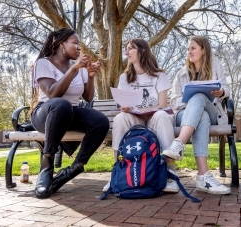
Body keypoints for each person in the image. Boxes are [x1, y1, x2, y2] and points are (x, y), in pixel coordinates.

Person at [31, 28, 110, 199]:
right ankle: (46, 166)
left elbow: (88, 97)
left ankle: (72, 170)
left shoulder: (80, 68)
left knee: (101, 121)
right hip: (45, 114)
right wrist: (74, 69)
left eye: (80, 44)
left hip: (69, 115)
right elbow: (52, 94)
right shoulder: (44, 63)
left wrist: (90, 76)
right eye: (75, 43)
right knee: (61, 104)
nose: (79, 47)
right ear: (61, 45)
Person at [102, 38, 178, 193]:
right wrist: (125, 108)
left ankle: (170, 172)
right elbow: (125, 102)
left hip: (154, 117)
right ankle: (118, 169)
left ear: (142, 51)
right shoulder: (125, 77)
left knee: (163, 116)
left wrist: (143, 110)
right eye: (126, 48)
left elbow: (163, 104)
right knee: (120, 118)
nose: (126, 52)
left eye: (131, 48)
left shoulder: (159, 76)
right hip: (135, 118)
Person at [163, 36, 231, 195]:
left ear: (203, 50)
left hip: (212, 110)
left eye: (193, 48)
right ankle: (203, 176)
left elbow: (226, 89)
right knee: (201, 112)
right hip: (184, 115)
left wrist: (220, 92)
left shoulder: (216, 66)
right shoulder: (181, 74)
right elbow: (173, 101)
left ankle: (179, 144)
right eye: (188, 49)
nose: (189, 51)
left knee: (200, 98)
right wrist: (190, 101)